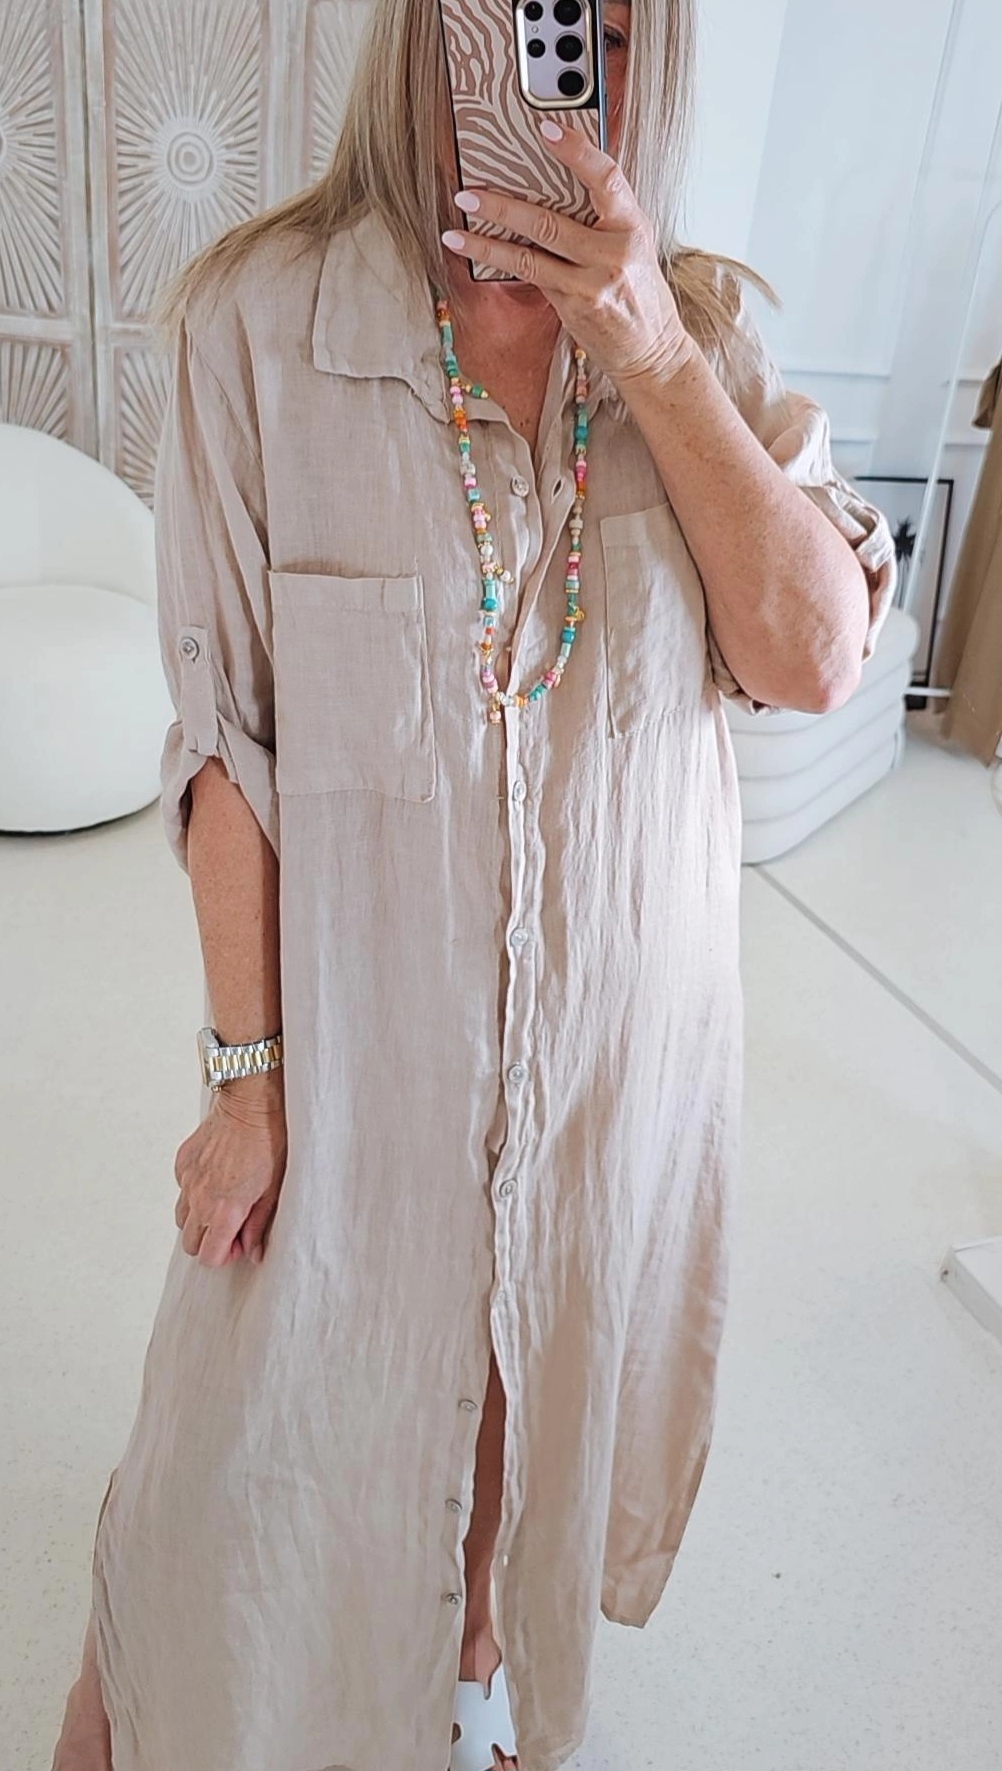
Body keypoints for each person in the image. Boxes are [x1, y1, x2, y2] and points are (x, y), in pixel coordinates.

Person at [51, 0, 897, 1767]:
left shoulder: (708, 339)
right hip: (364, 1053)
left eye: (590, 33)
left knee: (528, 1389)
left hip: (613, 1058)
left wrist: (647, 347)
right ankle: (150, 1684)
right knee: (251, 1429)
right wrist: (248, 1083)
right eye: (501, 20)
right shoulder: (256, 322)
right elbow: (226, 741)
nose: (539, 71)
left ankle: (475, 1673)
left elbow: (816, 653)